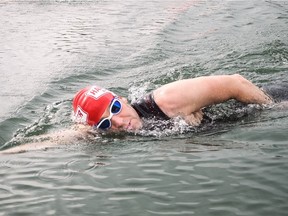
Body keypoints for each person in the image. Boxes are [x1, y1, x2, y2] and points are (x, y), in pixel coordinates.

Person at [72, 74, 275, 132]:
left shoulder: (167, 100)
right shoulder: (118, 131)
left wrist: (274, 108)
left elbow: (236, 83)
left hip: (269, 102)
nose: (117, 122)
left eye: (115, 109)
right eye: (105, 124)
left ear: (123, 100)